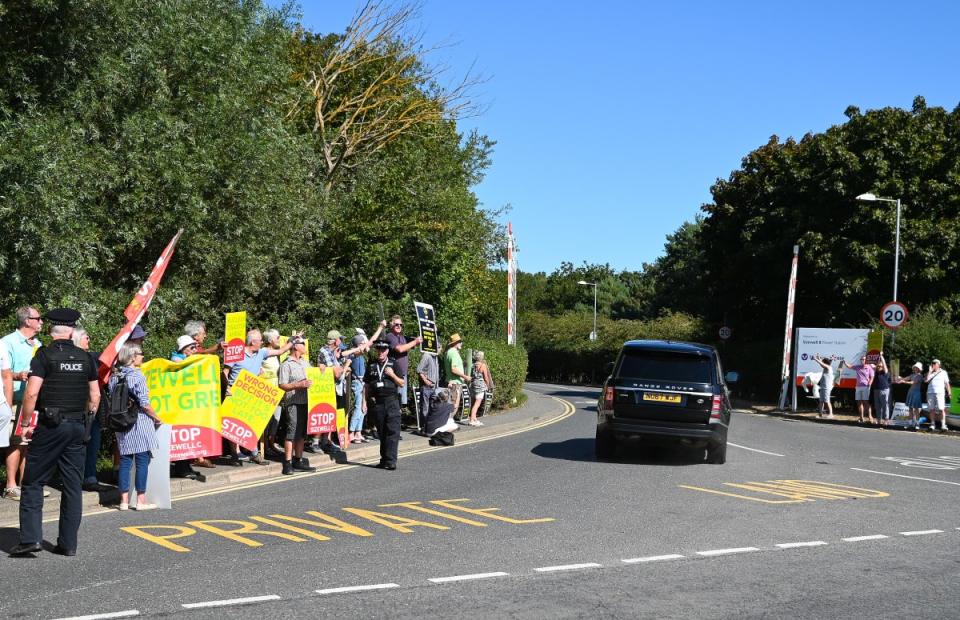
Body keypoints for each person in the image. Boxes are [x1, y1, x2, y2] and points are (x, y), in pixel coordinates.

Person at [9, 308, 99, 557]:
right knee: (72, 485)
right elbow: (95, 396)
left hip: (50, 426)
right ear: (71, 330)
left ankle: (30, 539)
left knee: (33, 480)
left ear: (51, 330)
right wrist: (87, 421)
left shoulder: (43, 356)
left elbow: (32, 393)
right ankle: (68, 544)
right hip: (77, 426)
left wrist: (26, 423)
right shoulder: (85, 358)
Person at [224, 329, 295, 464]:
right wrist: (227, 387)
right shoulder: (236, 353)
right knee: (234, 425)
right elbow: (225, 371)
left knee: (253, 424)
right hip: (236, 394)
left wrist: (292, 340)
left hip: (252, 395)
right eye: (260, 340)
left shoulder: (261, 352)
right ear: (252, 342)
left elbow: (280, 351)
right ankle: (235, 454)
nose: (262, 342)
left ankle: (254, 453)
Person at [110, 342, 162, 511]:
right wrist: (157, 418)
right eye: (140, 353)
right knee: (142, 461)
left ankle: (123, 501)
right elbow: (145, 404)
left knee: (125, 461)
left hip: (121, 423)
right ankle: (141, 501)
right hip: (139, 421)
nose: (142, 356)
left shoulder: (114, 376)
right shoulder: (138, 376)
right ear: (132, 357)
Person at [3, 306, 43, 501]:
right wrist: (19, 375)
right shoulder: (7, 342)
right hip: (15, 400)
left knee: (28, 443)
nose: (41, 321)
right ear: (27, 321)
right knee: (16, 443)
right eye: (38, 318)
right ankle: (10, 486)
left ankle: (26, 485)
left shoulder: (37, 344)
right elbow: (3, 372)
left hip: (32, 400)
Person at [71, 328, 109, 491]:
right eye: (87, 337)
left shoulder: (92, 357)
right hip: (79, 409)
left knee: (92, 444)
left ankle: (89, 477)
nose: (89, 340)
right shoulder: (73, 358)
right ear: (78, 339)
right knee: (79, 446)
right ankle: (80, 478)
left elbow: (110, 356)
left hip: (90, 409)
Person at [277, 336, 316, 475]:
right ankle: (287, 463)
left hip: (306, 402)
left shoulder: (306, 363)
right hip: (293, 403)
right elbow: (282, 384)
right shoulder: (286, 365)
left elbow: (315, 376)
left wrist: (323, 369)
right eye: (302, 343)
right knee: (292, 432)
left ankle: (298, 460)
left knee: (301, 434)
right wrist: (298, 385)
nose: (305, 345)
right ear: (295, 346)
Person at [365, 339, 404, 470]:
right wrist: (365, 402)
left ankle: (391, 460)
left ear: (387, 351)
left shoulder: (394, 364)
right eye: (378, 349)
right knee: (382, 432)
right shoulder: (371, 365)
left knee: (392, 432)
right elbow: (366, 385)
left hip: (391, 401)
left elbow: (401, 383)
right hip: (378, 403)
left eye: (383, 350)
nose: (380, 352)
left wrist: (392, 375)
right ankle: (384, 459)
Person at [384, 315, 422, 414]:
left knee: (401, 400)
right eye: (397, 324)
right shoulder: (390, 336)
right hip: (394, 373)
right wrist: (415, 341)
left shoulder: (401, 337)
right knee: (394, 399)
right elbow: (400, 349)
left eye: (401, 324)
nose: (399, 326)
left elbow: (407, 347)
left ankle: (398, 421)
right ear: (391, 325)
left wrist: (417, 342)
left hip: (402, 373)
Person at [442, 333, 471, 419]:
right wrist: (465, 377)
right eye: (460, 342)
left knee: (451, 404)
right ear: (455, 343)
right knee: (454, 405)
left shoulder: (449, 352)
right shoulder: (453, 353)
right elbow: (453, 369)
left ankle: (448, 423)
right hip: (455, 383)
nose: (461, 343)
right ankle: (447, 423)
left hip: (452, 382)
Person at [843, 355, 875, 424]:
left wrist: (869, 383)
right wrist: (845, 362)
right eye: (862, 359)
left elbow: (872, 377)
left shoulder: (869, 367)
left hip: (866, 387)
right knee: (859, 403)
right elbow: (850, 366)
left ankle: (870, 417)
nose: (863, 360)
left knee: (866, 403)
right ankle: (861, 418)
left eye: (864, 359)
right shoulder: (858, 367)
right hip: (858, 387)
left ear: (866, 360)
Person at [468, 350, 494, 426]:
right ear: (481, 357)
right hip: (480, 386)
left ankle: (474, 418)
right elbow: (486, 377)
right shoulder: (483, 365)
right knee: (477, 403)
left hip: (473, 385)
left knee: (473, 403)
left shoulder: (473, 365)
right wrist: (488, 385)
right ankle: (472, 420)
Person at [416, 350, 440, 432]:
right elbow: (419, 370)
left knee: (433, 408)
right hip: (426, 387)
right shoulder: (426, 355)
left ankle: (430, 426)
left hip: (434, 388)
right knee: (425, 409)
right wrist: (426, 381)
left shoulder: (435, 357)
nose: (440, 350)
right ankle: (424, 428)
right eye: (439, 348)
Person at [896, 362, 924, 428]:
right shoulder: (912, 375)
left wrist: (903, 381)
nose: (915, 368)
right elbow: (904, 378)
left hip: (916, 393)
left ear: (919, 369)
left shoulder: (920, 376)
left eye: (916, 368)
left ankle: (917, 424)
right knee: (910, 408)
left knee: (916, 409)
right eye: (914, 367)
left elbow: (913, 382)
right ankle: (910, 423)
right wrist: (899, 378)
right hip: (910, 392)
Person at [925, 359, 951, 431]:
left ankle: (943, 424)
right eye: (932, 363)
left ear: (939, 364)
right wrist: (930, 371)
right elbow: (926, 380)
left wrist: (949, 392)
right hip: (930, 393)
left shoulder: (943, 372)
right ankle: (932, 424)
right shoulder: (930, 373)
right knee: (931, 409)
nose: (933, 365)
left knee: (941, 409)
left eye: (935, 363)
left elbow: (946, 383)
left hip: (940, 392)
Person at [872, 355, 892, 427]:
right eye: (878, 366)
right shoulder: (876, 372)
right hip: (876, 390)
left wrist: (881, 356)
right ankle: (879, 420)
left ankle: (886, 420)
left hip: (884, 390)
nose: (879, 367)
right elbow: (873, 365)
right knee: (877, 406)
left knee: (885, 405)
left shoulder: (885, 372)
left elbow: (884, 364)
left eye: (880, 366)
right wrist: (877, 360)